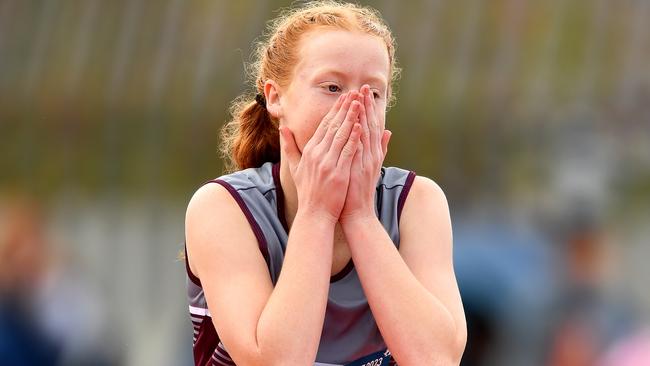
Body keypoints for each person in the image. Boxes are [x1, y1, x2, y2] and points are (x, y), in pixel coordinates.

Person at [184, 2, 466, 365]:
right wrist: (317, 211)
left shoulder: (416, 202)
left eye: (374, 93)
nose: (355, 108)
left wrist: (361, 215)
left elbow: (437, 359)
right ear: (275, 97)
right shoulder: (223, 208)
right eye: (332, 87)